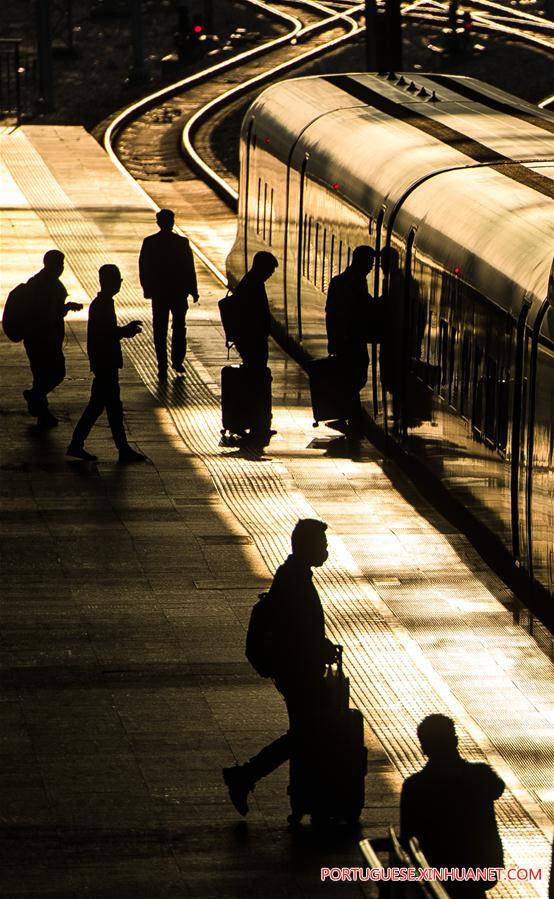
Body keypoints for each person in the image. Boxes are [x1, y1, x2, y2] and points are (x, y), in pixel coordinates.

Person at [222, 519, 337, 816]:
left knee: (305, 734)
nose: (326, 550)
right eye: (322, 545)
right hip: (297, 674)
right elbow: (296, 634)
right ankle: (246, 776)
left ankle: (299, 799)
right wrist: (319, 648)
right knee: (305, 734)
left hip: (297, 671)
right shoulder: (294, 580)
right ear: (306, 546)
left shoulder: (294, 575)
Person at [400, 714, 505, 898]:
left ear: (423, 748)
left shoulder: (414, 786)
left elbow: (408, 835)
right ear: (455, 741)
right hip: (479, 867)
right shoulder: (480, 776)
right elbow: (498, 788)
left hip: (435, 868)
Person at [67, 264, 146, 463]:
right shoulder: (103, 305)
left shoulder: (102, 303)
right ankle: (116, 448)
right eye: (117, 279)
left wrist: (123, 331)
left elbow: (105, 332)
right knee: (106, 407)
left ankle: (86, 444)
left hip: (104, 362)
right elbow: (106, 334)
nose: (119, 283)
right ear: (109, 282)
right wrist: (125, 331)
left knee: (105, 407)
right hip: (106, 363)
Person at [22, 249, 82, 428]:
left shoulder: (37, 282)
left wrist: (67, 307)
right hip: (46, 338)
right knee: (57, 372)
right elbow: (48, 314)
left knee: (40, 374)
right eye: (60, 264)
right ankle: (36, 396)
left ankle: (42, 411)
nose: (62, 268)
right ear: (52, 264)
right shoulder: (50, 285)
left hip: (34, 338)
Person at [138, 208, 199, 379]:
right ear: (172, 222)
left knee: (160, 330)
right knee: (179, 327)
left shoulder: (150, 242)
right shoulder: (182, 242)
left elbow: (144, 268)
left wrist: (147, 289)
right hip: (179, 293)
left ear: (158, 222)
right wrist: (193, 290)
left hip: (159, 294)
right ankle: (177, 361)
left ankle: (162, 365)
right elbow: (189, 268)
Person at [325, 245, 375, 439]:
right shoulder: (348, 283)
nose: (371, 267)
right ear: (360, 261)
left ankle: (346, 414)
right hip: (349, 341)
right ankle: (351, 418)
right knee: (353, 379)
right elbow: (334, 313)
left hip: (350, 340)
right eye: (369, 263)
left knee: (354, 378)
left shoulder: (350, 281)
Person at [231, 251, 278, 449]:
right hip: (253, 342)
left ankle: (258, 422)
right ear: (262, 267)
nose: (270, 275)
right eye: (269, 271)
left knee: (257, 380)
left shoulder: (250, 283)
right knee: (257, 381)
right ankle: (258, 424)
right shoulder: (252, 285)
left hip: (251, 341)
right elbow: (252, 317)